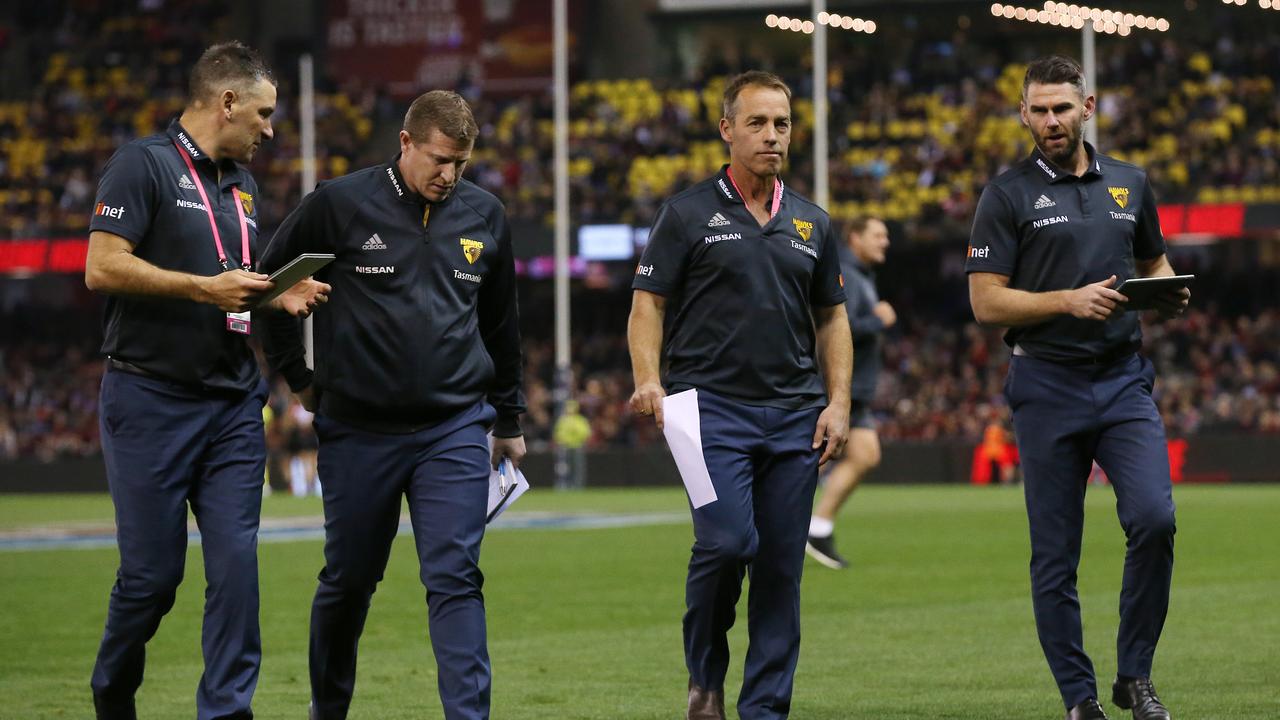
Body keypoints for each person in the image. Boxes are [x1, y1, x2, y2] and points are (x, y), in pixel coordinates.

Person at [258, 90, 525, 720]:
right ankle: (328, 710)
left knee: (455, 577)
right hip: (357, 429)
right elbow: (267, 289)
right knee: (348, 583)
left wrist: (507, 417)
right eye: (438, 159)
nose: (449, 175)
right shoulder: (340, 205)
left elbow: (501, 325)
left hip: (454, 426)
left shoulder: (486, 215)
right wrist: (299, 378)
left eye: (460, 163)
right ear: (405, 142)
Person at [84, 42, 327, 720]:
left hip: (230, 404)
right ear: (226, 103)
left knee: (236, 574)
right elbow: (101, 267)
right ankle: (112, 690)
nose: (270, 129)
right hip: (149, 398)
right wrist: (202, 289)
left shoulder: (242, 187)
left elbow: (230, 290)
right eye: (264, 113)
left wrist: (273, 293)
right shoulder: (142, 165)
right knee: (152, 580)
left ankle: (226, 712)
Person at [967, 55, 1188, 720]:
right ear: (1024, 113)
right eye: (1039, 109)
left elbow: (1153, 259)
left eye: (1062, 108)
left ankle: (1136, 677)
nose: (1051, 120)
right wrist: (1067, 301)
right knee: (1055, 555)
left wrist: (1167, 290)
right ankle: (1079, 698)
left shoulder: (1130, 183)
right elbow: (985, 302)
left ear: (1088, 109)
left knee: (1155, 519)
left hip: (1123, 380)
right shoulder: (1005, 195)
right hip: (1046, 383)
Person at [628, 70, 852, 720]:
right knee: (727, 543)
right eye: (756, 123)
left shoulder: (812, 221)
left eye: (781, 123)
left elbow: (833, 317)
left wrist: (837, 403)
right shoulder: (687, 213)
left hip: (794, 418)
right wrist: (649, 378)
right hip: (705, 413)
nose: (771, 135)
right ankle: (705, 678)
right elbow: (647, 305)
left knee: (781, 574)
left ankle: (765, 711)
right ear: (727, 129)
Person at [805, 216, 894, 569]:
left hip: (854, 391)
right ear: (854, 238)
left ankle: (818, 528)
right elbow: (836, 329)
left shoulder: (861, 276)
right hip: (838, 388)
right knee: (803, 464)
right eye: (877, 234)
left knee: (866, 453)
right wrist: (879, 321)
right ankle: (781, 531)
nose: (885, 240)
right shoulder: (848, 274)